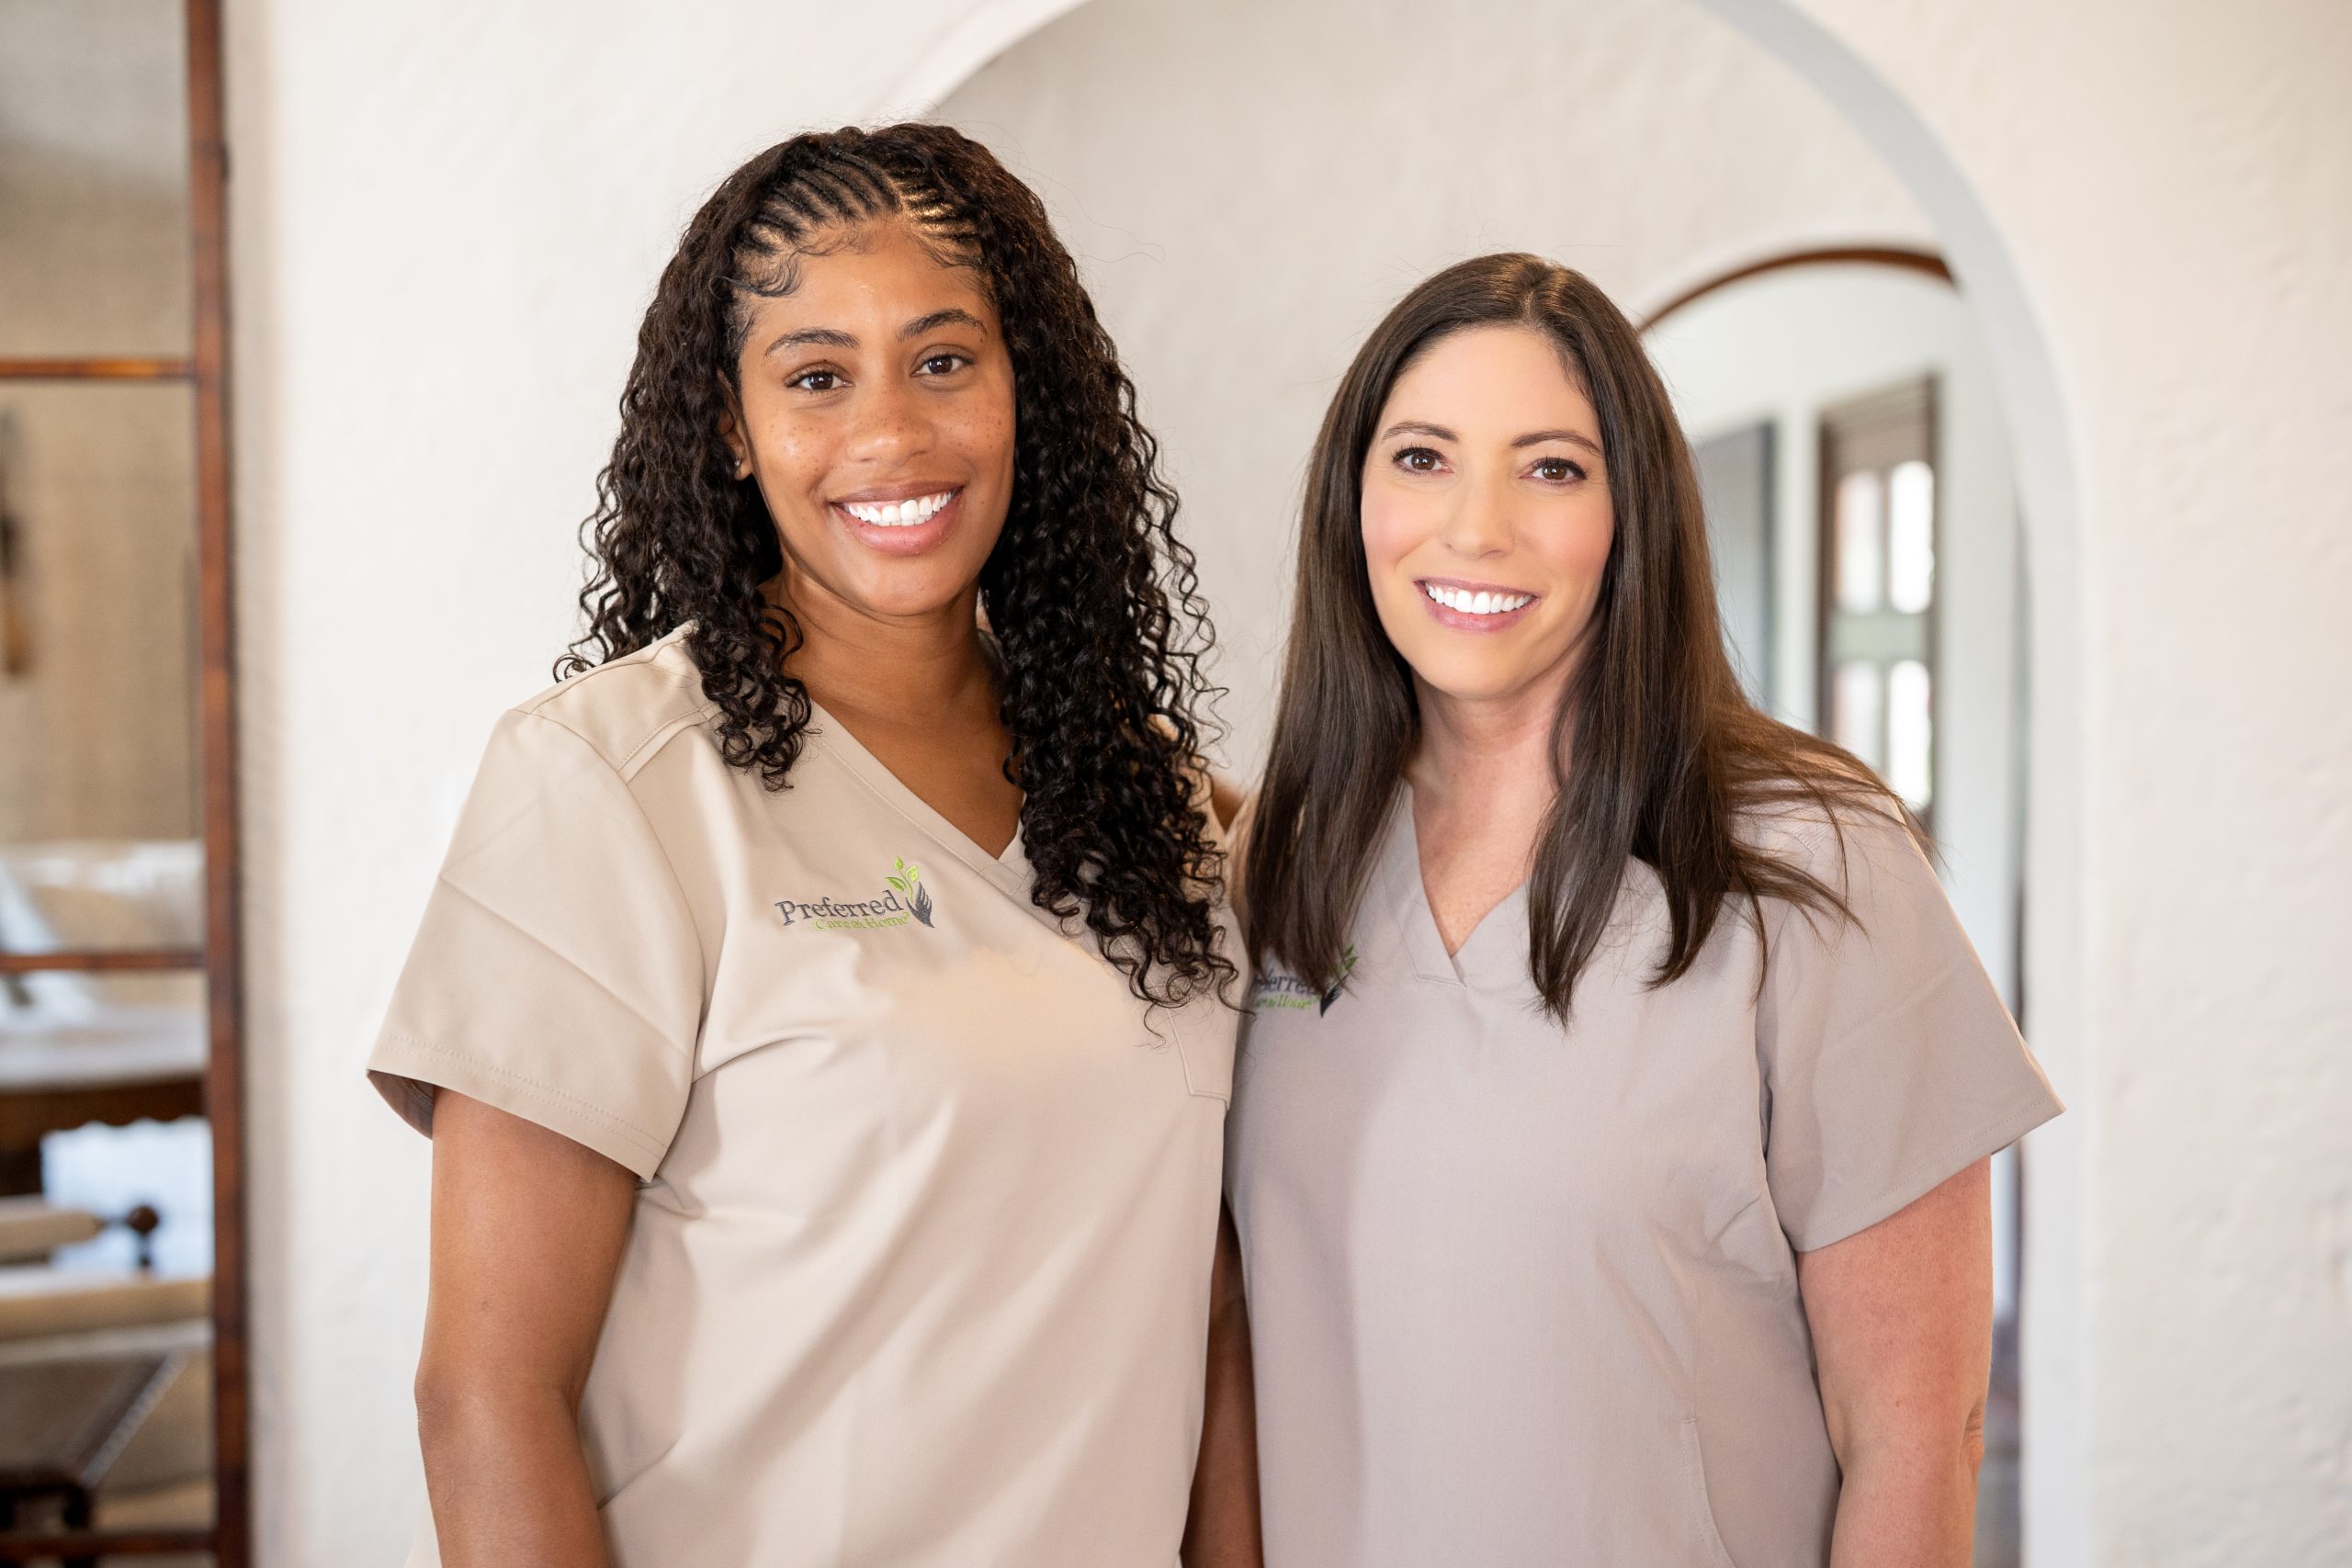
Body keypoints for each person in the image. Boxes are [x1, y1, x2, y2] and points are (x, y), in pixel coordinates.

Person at [367, 124, 1259, 1568]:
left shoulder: (1151, 808)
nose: (892, 433)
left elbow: (1205, 1308)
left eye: (945, 359)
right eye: (817, 375)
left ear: (1026, 391)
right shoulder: (610, 786)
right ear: (731, 427)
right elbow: (484, 1398)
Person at [1221, 253, 2062, 1566]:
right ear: (1352, 501)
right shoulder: (1275, 857)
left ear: (1633, 515)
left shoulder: (1813, 864)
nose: (1477, 528)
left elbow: (1916, 1430)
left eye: (1552, 468)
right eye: (1423, 458)